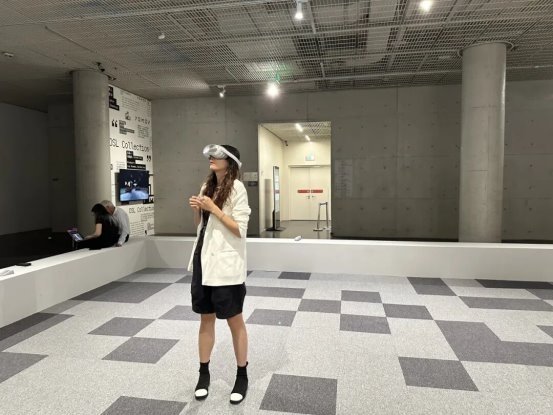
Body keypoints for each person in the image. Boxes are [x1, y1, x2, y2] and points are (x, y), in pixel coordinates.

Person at [188, 144, 251, 405]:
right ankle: (203, 374)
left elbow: (240, 229)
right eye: (211, 156)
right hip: (203, 260)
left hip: (226, 266)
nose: (212, 159)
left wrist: (214, 208)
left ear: (230, 161)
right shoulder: (207, 186)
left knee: (234, 320)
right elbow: (201, 227)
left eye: (218, 156)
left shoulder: (237, 188)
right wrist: (197, 210)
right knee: (206, 319)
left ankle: (242, 375)